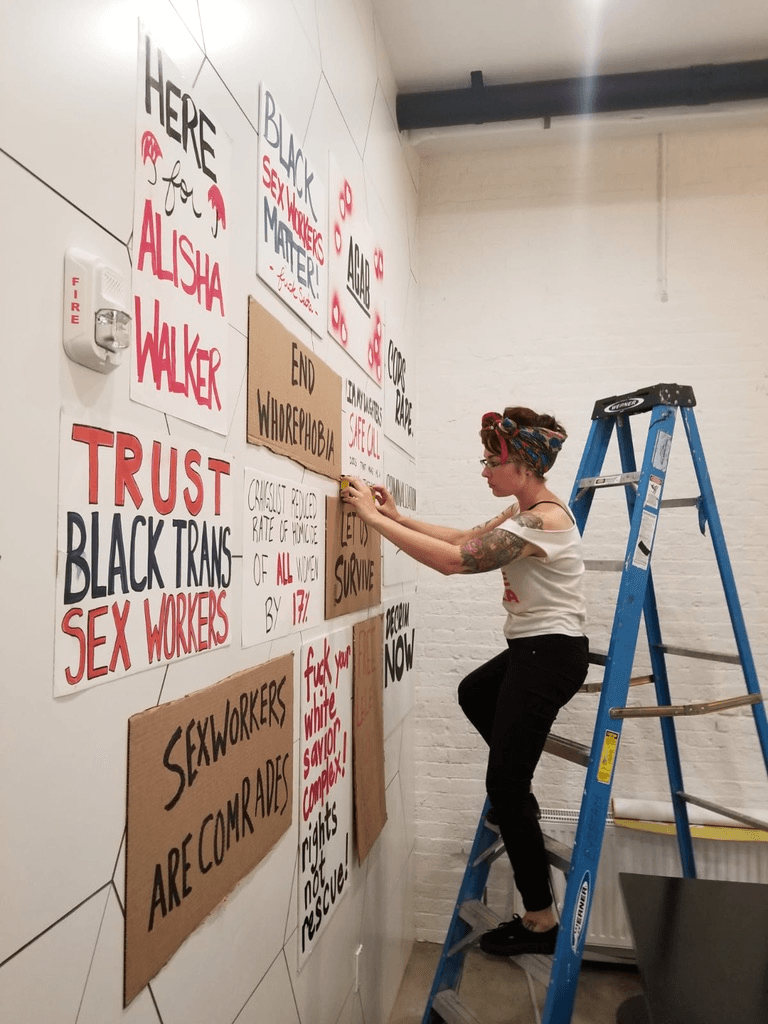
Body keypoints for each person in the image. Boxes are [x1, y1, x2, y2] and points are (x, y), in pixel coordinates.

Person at [340, 406, 589, 957]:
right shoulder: (521, 512)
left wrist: (371, 520)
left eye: (490, 462)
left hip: (549, 656)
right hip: (532, 649)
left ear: (521, 464)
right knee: (474, 692)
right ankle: (517, 791)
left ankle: (541, 921)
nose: (484, 471)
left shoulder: (543, 522)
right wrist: (399, 516)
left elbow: (454, 562)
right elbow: (461, 538)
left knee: (503, 785)